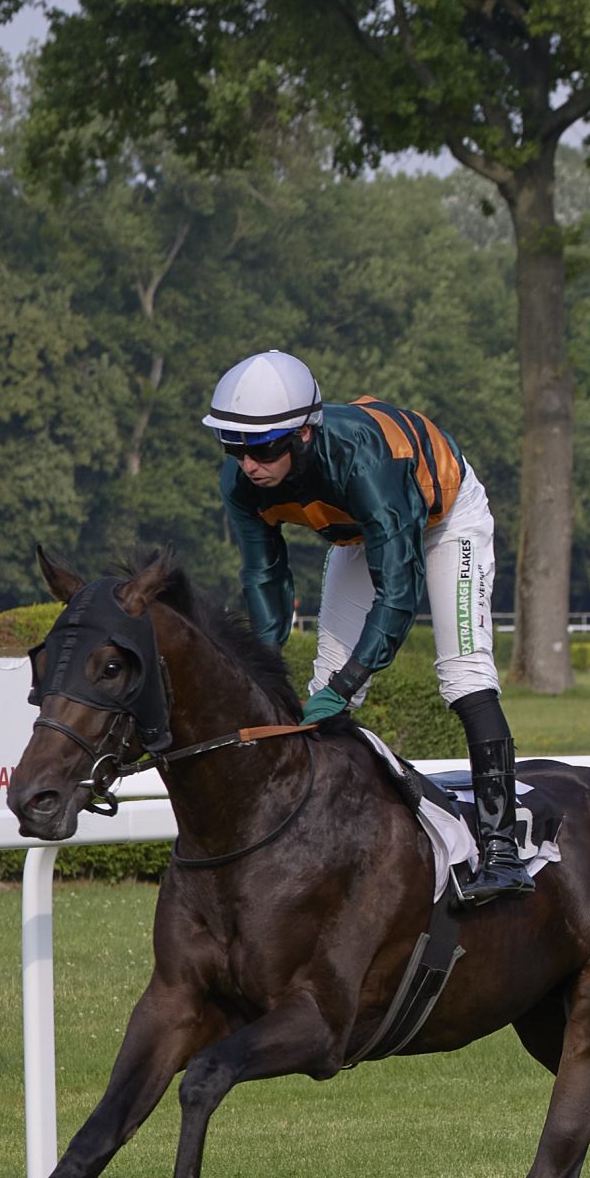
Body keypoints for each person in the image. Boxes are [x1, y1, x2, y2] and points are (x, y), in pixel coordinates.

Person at [207, 348, 532, 901]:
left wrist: (347, 685)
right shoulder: (241, 483)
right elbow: (265, 579)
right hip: (361, 528)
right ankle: (321, 840)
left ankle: (503, 852)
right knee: (323, 682)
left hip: (441, 516)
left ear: (304, 435)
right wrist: (263, 674)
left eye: (261, 448)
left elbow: (398, 593)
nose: (247, 463)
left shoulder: (366, 462)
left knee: (463, 673)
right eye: (232, 446)